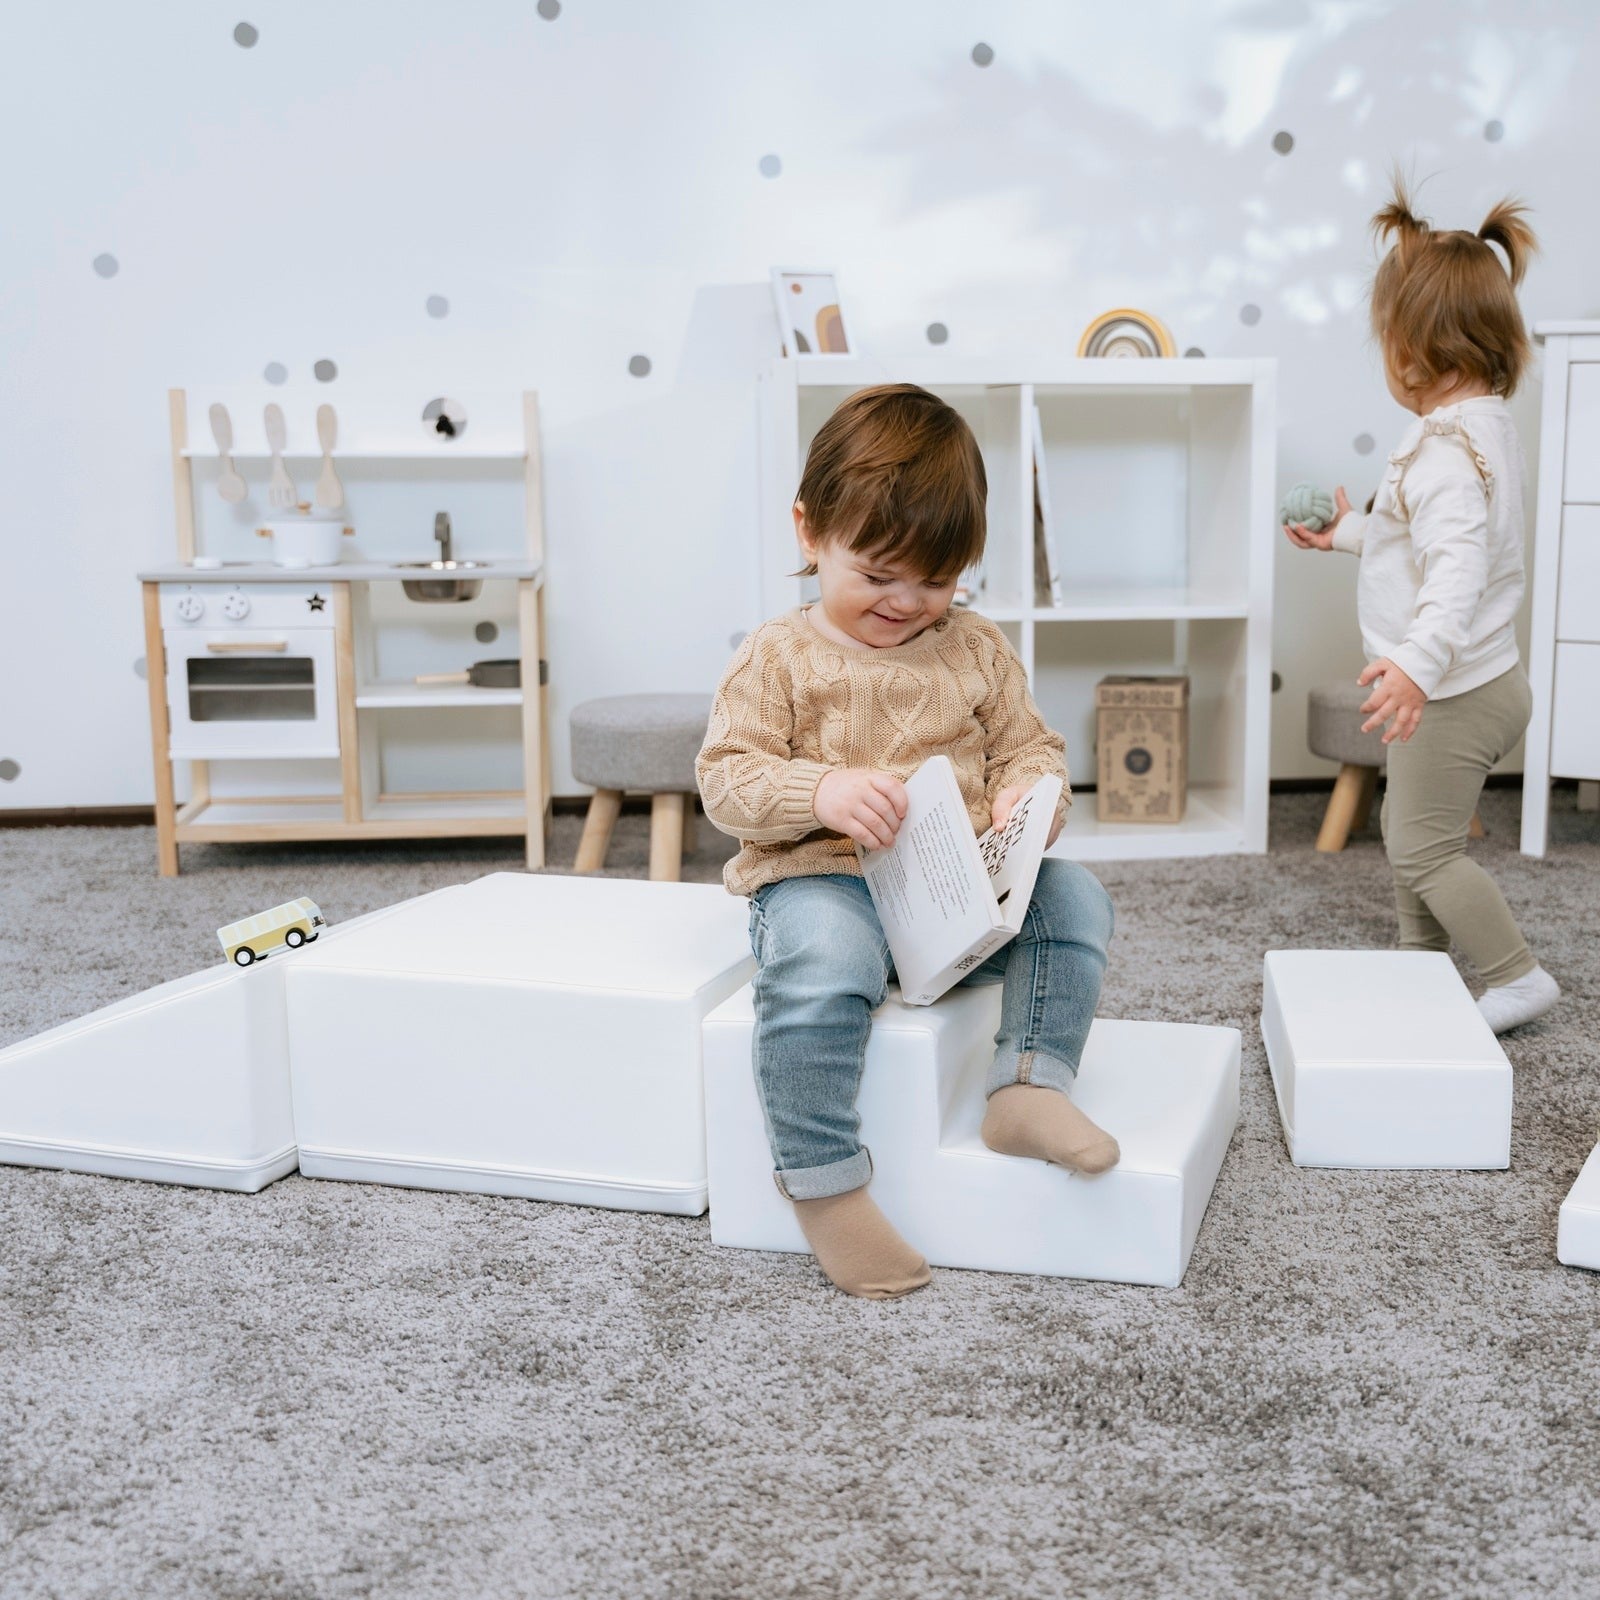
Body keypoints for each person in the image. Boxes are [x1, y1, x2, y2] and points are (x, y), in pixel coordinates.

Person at [696, 383, 1117, 1300]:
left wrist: (1032, 799)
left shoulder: (974, 647)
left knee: (1077, 899)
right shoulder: (778, 655)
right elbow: (726, 778)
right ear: (811, 534)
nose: (906, 602)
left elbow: (1031, 747)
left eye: (934, 580)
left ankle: (1028, 1086)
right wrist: (824, 790)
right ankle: (823, 1180)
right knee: (824, 960)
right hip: (826, 881)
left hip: (957, 894)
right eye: (878, 575)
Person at [1283, 178, 1559, 1036]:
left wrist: (1412, 666)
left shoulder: (1442, 451)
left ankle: (1517, 976)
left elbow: (1458, 573)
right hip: (1468, 675)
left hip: (1453, 686)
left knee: (1423, 847)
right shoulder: (1484, 428)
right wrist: (1350, 535)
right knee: (1413, 828)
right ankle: (1419, 961)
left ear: (1417, 349)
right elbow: (1425, 542)